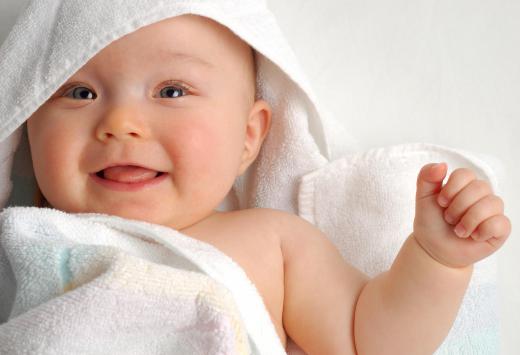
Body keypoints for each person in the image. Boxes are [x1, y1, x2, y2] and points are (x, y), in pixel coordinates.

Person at [16, 13, 513, 355]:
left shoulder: (270, 243)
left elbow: (369, 342)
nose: (121, 122)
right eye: (79, 92)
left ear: (248, 136)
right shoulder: (25, 239)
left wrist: (436, 260)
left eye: (171, 90)